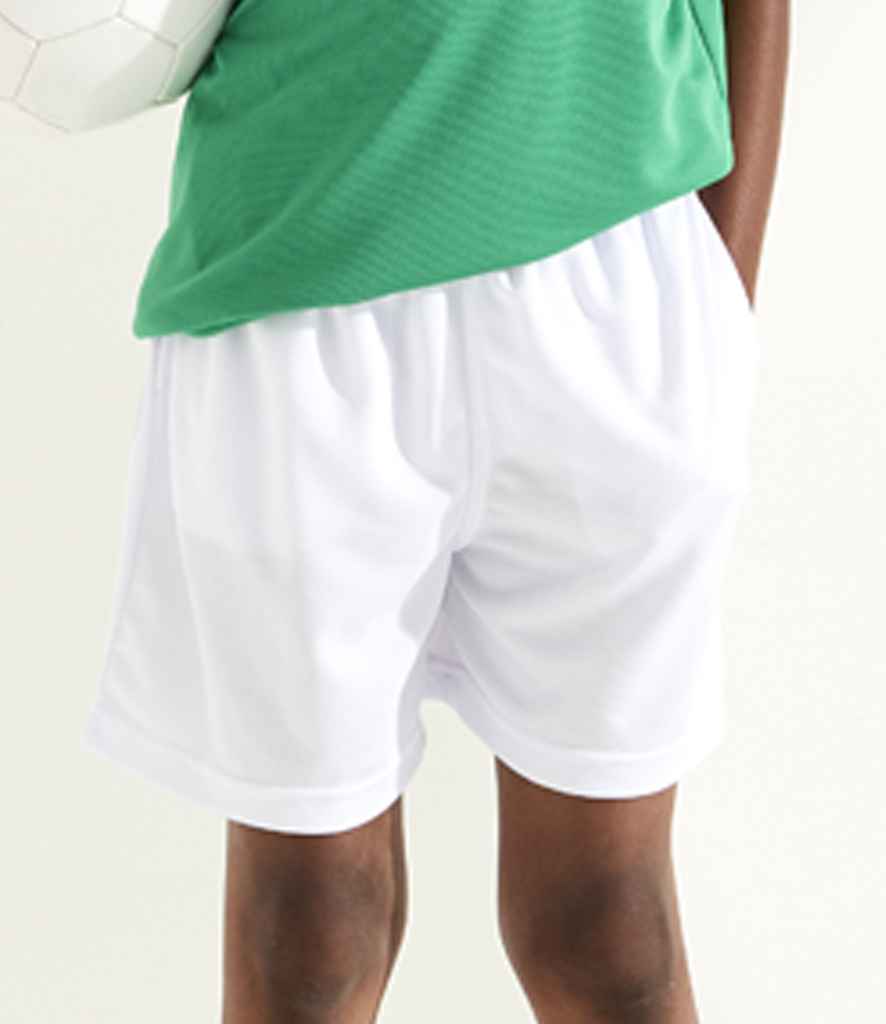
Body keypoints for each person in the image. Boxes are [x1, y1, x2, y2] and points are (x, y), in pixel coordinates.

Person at [81, 1, 789, 1020]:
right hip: (299, 272)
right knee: (310, 937)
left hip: (614, 272)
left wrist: (726, 289)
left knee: (610, 929)